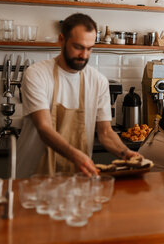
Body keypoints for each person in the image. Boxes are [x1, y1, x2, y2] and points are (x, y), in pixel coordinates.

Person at [16, 13, 139, 178]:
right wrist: (75, 155)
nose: (84, 55)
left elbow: (105, 133)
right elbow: (44, 128)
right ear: (61, 40)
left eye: (89, 48)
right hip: (33, 177)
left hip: (77, 179)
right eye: (78, 47)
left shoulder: (98, 81)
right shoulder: (37, 74)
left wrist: (125, 153)